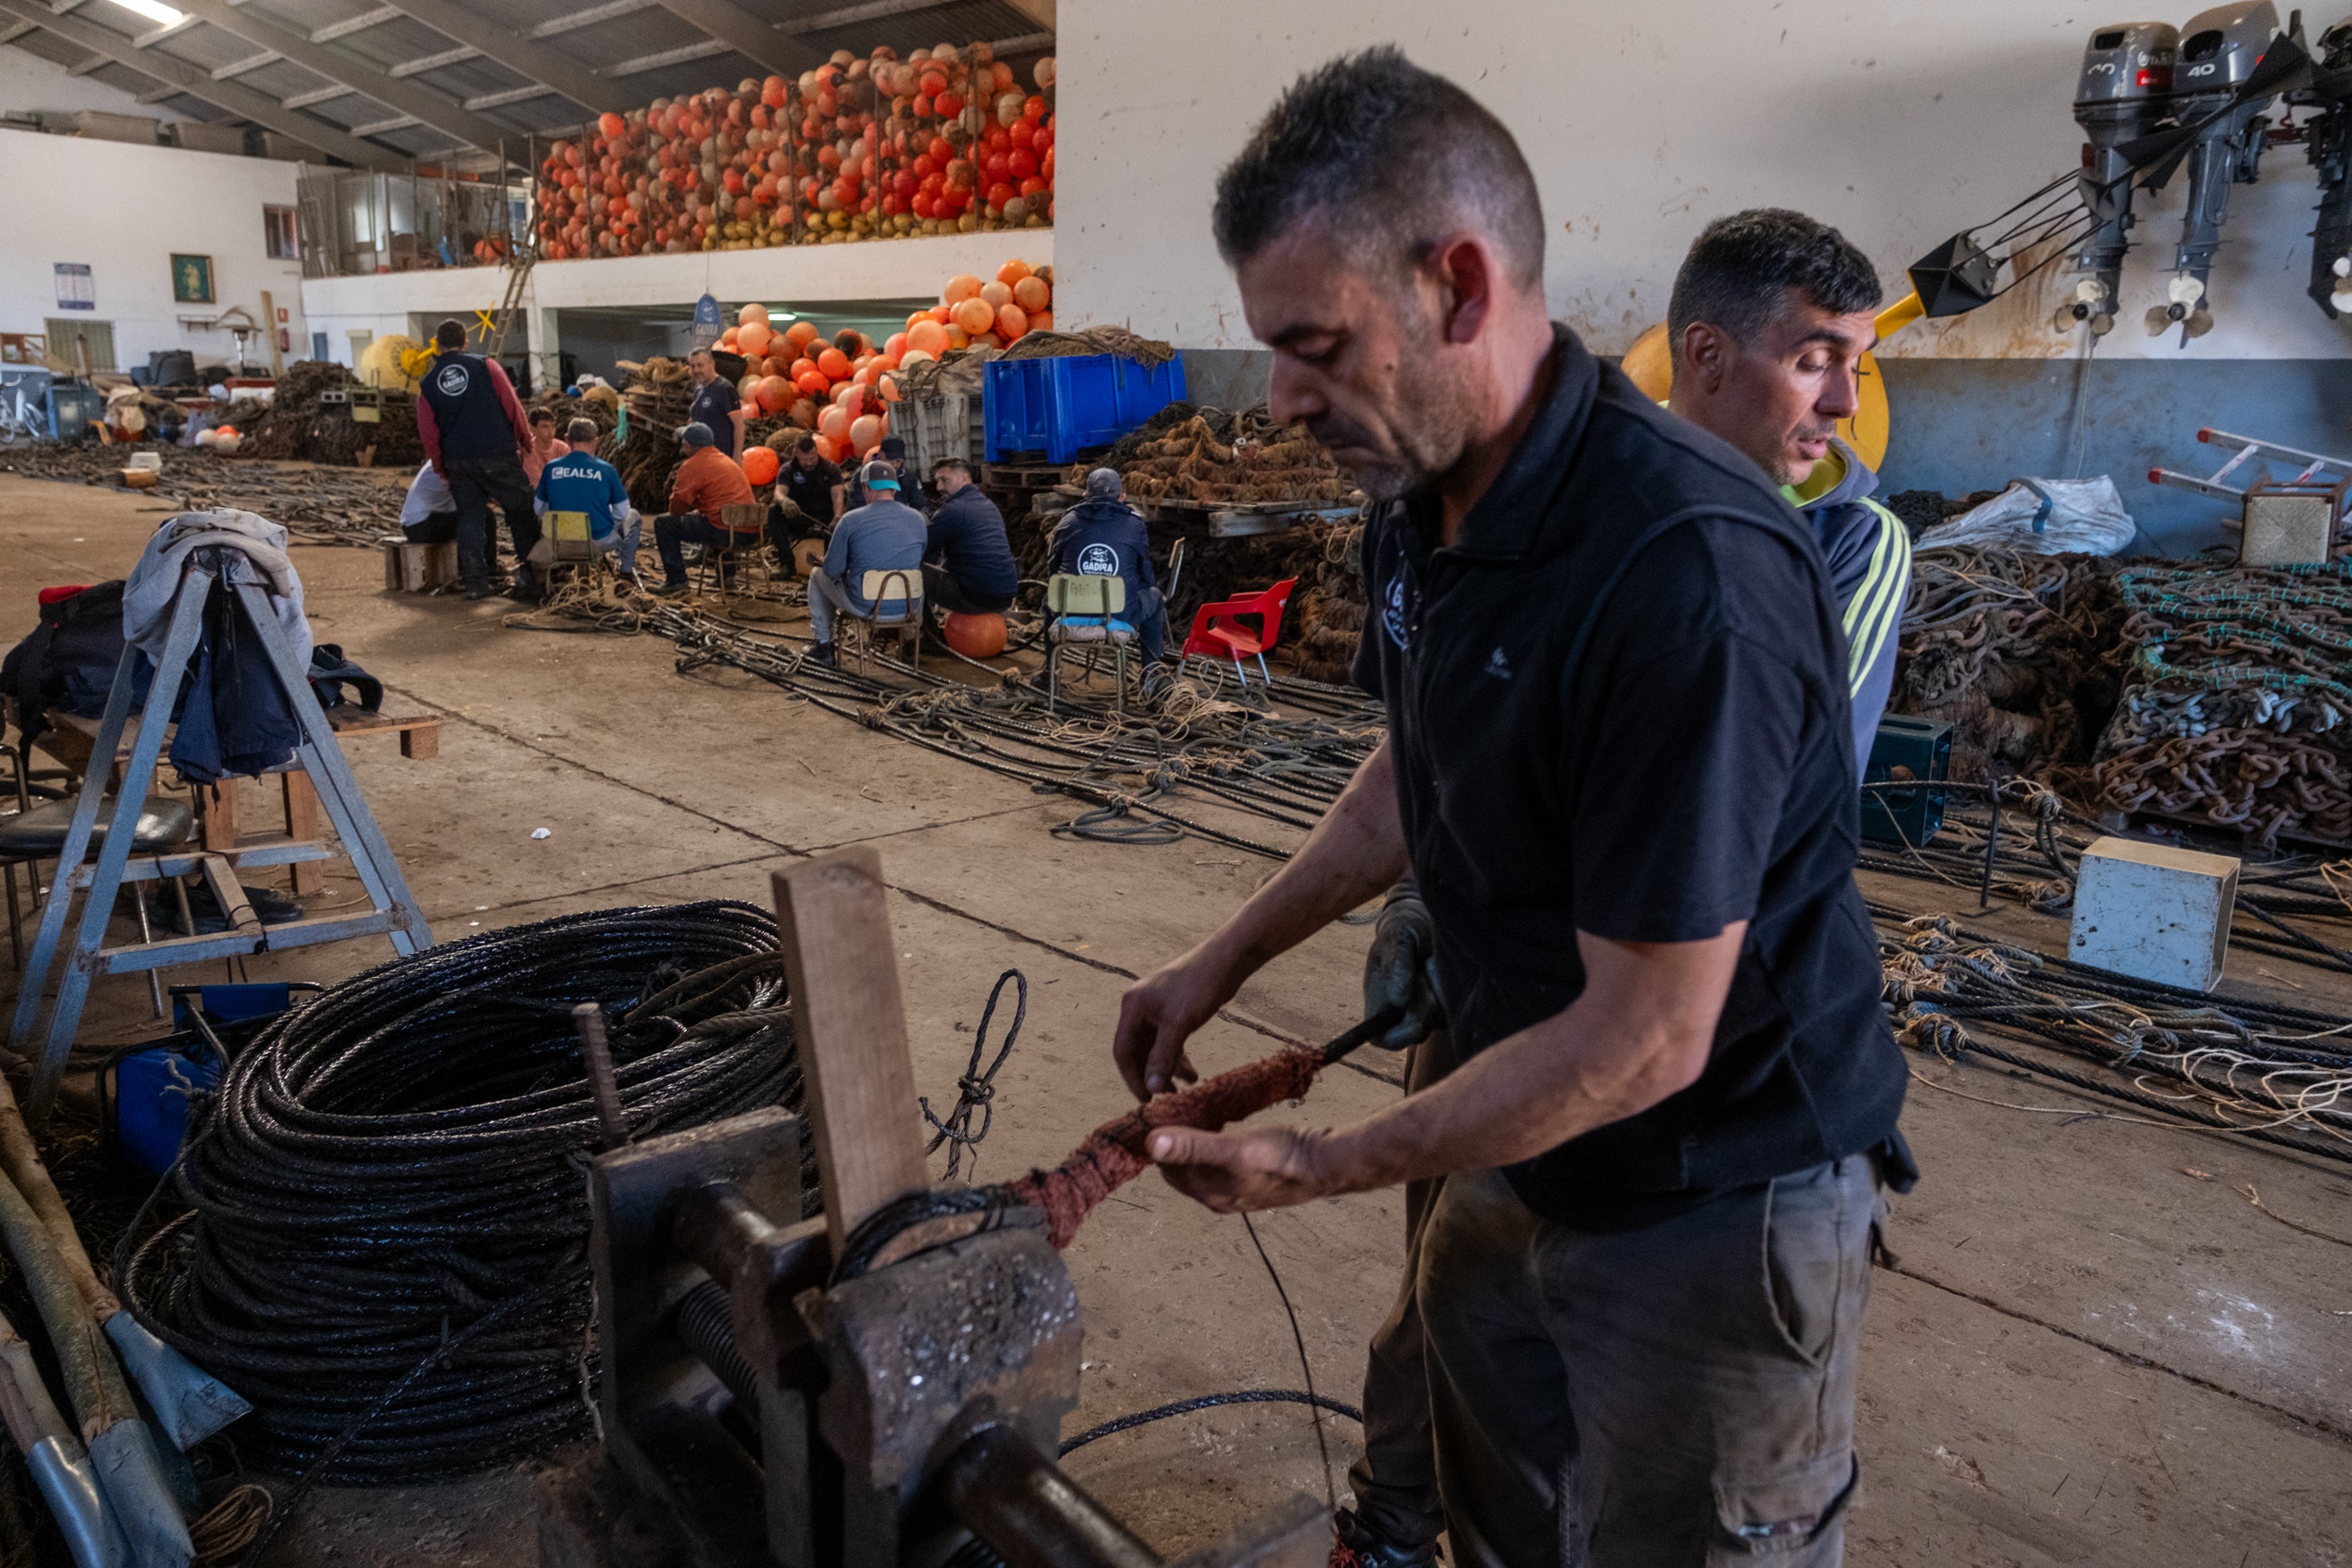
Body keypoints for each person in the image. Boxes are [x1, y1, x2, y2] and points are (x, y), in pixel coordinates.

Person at [1108, 49, 1912, 1568]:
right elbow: (1418, 768)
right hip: (1520, 1140)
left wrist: (1328, 1160)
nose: (1280, 397)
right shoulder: (1427, 497)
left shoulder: (1691, 571)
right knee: (1498, 1508)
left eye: (1315, 346)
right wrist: (1218, 960)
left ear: (1461, 288)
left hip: (1714, 1192)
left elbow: (1649, 1037)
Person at [1664, 209, 1912, 772]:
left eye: (1855, 367)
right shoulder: (1583, 480)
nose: (1845, 404)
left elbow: (1807, 777)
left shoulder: (1853, 543)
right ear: (1707, 355)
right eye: (1815, 363)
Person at [415, 318, 543, 601]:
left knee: (470, 519)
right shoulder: (486, 365)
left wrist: (441, 465)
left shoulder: (428, 384)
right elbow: (512, 404)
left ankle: (475, 584)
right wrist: (525, 439)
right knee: (521, 510)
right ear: (466, 342)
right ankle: (532, 576)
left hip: (460, 461)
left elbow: (428, 432)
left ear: (437, 344)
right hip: (497, 452)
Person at [806, 460, 928, 666]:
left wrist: (832, 562)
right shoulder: (918, 519)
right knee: (912, 575)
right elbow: (918, 557)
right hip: (909, 607)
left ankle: (824, 646)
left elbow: (832, 570)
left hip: (865, 605)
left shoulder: (850, 520)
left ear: (866, 487)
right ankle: (909, 644)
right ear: (894, 487)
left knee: (817, 576)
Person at [1048, 467, 1168, 660]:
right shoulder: (1135, 525)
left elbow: (1054, 569)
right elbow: (1146, 576)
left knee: (1051, 599)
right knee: (1154, 597)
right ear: (1122, 497)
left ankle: (1049, 671)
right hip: (1119, 615)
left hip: (1069, 613)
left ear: (1085, 495)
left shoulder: (1068, 521)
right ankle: (1151, 675)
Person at [649, 423, 757, 595]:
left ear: (688, 445)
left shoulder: (693, 465)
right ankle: (727, 578)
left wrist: (684, 512)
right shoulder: (725, 460)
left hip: (723, 530)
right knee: (716, 518)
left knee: (664, 524)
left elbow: (678, 505)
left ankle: (676, 581)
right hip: (751, 531)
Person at [533, 416, 640, 579]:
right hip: (596, 543)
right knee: (634, 517)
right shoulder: (607, 470)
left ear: (567, 439)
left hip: (559, 542)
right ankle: (625, 574)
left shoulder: (551, 468)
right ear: (596, 441)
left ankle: (556, 570)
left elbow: (538, 509)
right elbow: (622, 512)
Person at [923, 459, 1019, 617]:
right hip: (1006, 594)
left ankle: (923, 634)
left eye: (944, 480)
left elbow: (923, 549)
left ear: (964, 478)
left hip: (976, 596)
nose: (939, 487)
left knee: (912, 571)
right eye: (938, 481)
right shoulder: (989, 506)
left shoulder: (952, 510)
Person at [397, 459, 497, 586]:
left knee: (473, 515)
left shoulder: (445, 457)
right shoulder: (454, 462)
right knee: (484, 516)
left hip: (416, 524)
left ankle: (476, 566)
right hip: (423, 525)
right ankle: (481, 568)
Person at [770, 434, 845, 562]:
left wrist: (837, 518)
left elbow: (838, 496)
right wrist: (784, 501)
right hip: (800, 515)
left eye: (813, 458)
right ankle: (786, 563)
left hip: (825, 516)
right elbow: (778, 492)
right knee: (774, 511)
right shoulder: (788, 469)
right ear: (796, 454)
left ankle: (834, 563)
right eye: (805, 460)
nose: (810, 463)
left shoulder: (830, 468)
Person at [686, 348, 744, 457]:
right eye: (693, 366)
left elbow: (739, 425)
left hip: (722, 457)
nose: (696, 370)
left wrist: (737, 457)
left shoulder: (724, 388)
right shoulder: (699, 388)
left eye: (700, 365)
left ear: (711, 364)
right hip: (702, 457)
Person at [845, 435, 913, 509]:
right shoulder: (864, 474)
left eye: (898, 461)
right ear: (881, 454)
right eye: (890, 460)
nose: (895, 465)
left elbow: (920, 503)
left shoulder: (908, 475)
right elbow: (858, 507)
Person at [521, 407, 565, 486]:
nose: (551, 431)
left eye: (553, 426)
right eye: (545, 427)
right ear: (533, 429)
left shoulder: (563, 448)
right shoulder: (529, 450)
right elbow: (538, 484)